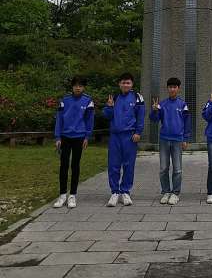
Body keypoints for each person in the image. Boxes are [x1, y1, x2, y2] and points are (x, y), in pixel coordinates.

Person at [103, 72, 145, 207]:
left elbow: (141, 116)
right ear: (119, 84)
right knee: (113, 165)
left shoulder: (137, 97)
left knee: (129, 165)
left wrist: (138, 132)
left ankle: (125, 191)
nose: (125, 85)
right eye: (123, 82)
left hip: (130, 136)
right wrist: (109, 107)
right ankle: (115, 192)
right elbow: (107, 116)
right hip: (115, 135)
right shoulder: (114, 97)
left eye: (128, 83)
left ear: (132, 84)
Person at [53, 76, 94, 209]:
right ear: (72, 86)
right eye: (76, 85)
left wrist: (87, 136)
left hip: (79, 137)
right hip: (65, 137)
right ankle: (62, 195)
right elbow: (59, 119)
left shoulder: (88, 101)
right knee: (64, 165)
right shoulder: (64, 100)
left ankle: (72, 195)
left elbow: (89, 120)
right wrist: (57, 137)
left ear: (84, 87)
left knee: (75, 165)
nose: (78, 88)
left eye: (80, 86)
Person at [149, 77, 191, 206]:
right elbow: (154, 120)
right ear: (167, 88)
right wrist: (154, 110)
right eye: (170, 87)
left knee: (177, 169)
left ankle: (175, 193)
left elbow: (187, 123)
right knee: (163, 168)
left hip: (178, 140)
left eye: (175, 87)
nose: (172, 89)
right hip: (164, 139)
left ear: (178, 89)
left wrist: (186, 138)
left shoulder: (183, 105)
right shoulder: (162, 104)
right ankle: (166, 192)